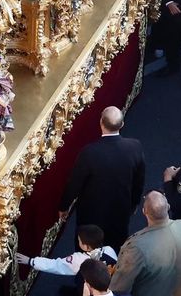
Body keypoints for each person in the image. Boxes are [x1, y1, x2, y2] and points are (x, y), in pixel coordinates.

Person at [61, 106, 147, 251]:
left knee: (87, 249)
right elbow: (139, 180)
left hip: (91, 214)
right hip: (120, 209)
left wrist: (64, 206)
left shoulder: (89, 152)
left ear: (101, 123)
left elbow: (75, 183)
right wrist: (134, 203)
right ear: (122, 124)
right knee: (116, 246)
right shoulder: (135, 147)